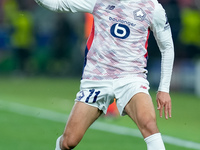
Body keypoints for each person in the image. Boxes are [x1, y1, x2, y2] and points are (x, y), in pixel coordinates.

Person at [34, 0, 174, 150]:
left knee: (149, 124)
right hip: (97, 79)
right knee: (69, 142)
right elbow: (58, 4)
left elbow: (167, 47)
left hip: (131, 78)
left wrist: (164, 89)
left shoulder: (152, 7)